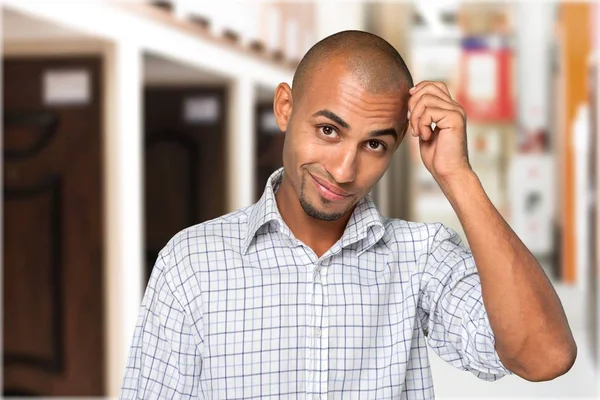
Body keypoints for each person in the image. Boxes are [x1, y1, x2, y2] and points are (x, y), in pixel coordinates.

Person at [120, 30, 576, 399]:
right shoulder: (191, 263)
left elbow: (545, 356)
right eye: (328, 130)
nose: (343, 170)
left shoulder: (421, 259)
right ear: (285, 107)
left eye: (374, 144)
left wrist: (457, 175)